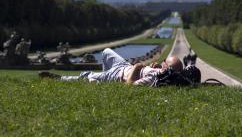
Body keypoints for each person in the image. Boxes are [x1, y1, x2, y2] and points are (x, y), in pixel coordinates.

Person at [39, 47, 183, 86]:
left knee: (87, 75)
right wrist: (156, 66)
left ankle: (60, 78)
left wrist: (137, 67)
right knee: (106, 51)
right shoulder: (161, 72)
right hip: (123, 66)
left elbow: (130, 85)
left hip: (119, 75)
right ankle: (102, 80)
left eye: (165, 62)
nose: (162, 62)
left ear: (167, 68)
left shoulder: (155, 78)